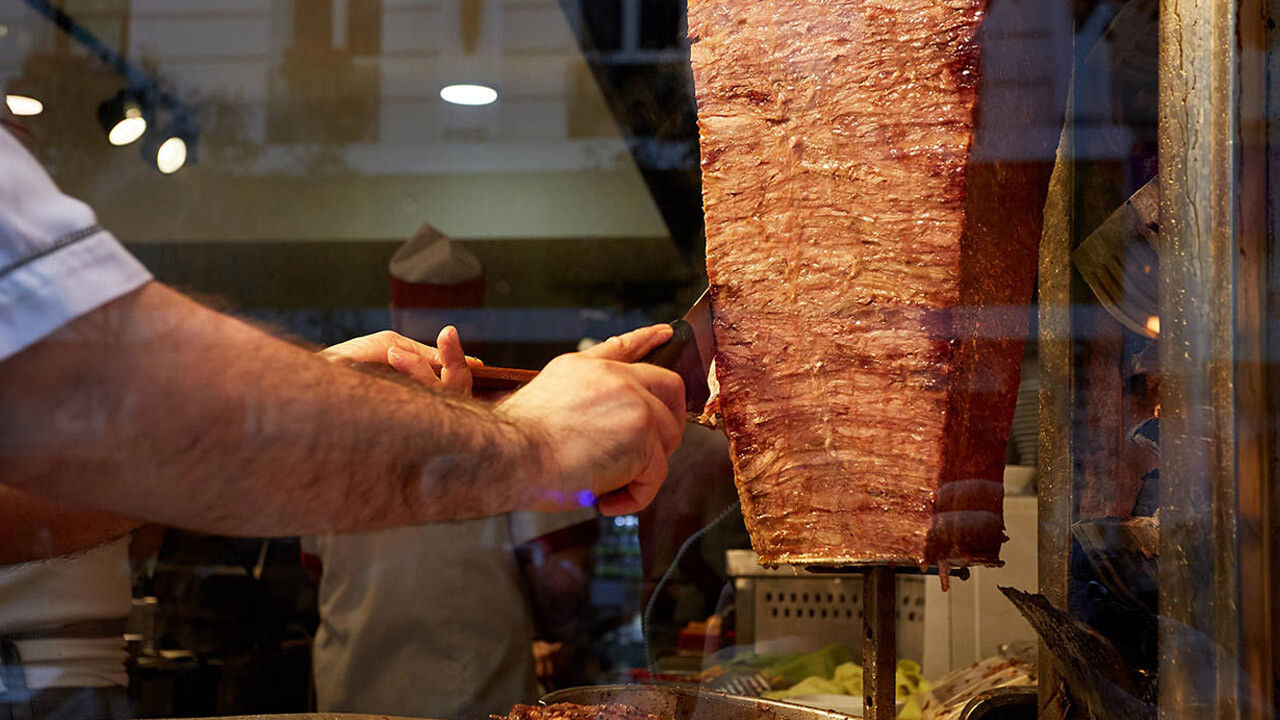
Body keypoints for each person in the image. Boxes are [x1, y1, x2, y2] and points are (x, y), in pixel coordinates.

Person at [0, 117, 683, 718]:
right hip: (36, 683)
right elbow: (116, 413)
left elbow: (106, 465)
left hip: (355, 686)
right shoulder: (499, 413)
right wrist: (530, 443)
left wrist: (324, 387)